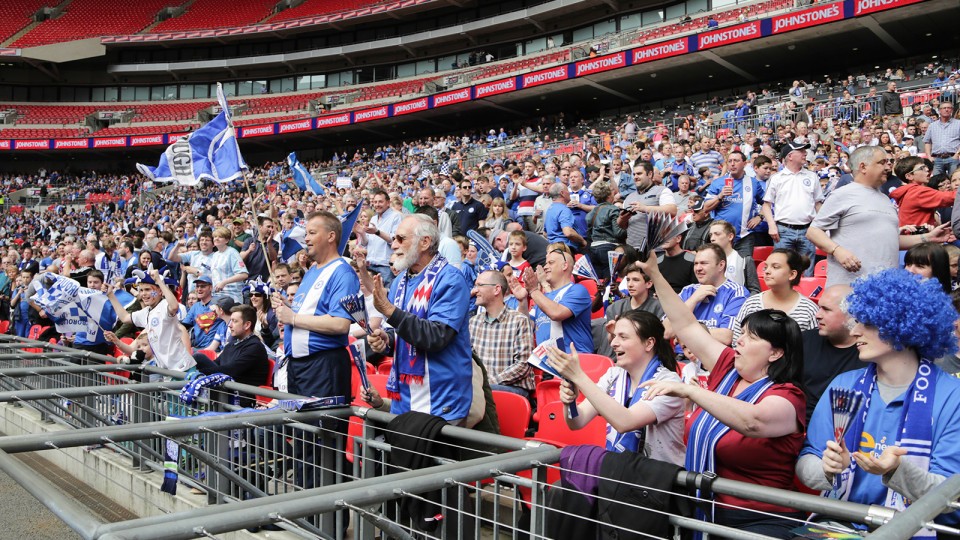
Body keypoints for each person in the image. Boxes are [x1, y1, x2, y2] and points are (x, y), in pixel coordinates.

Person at [640, 251, 807, 539]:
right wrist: (655, 274)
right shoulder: (729, 368)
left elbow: (753, 422)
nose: (739, 340)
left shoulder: (789, 396)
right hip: (705, 511)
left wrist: (689, 389)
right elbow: (686, 325)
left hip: (760, 521)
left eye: (752, 337)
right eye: (741, 333)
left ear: (777, 352)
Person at [798, 269, 960, 534]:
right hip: (838, 525)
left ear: (902, 327)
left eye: (868, 323)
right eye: (856, 321)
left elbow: (951, 496)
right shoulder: (843, 385)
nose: (855, 331)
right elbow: (808, 461)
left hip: (912, 531)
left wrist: (898, 471)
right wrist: (826, 470)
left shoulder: (953, 396)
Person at [270, 211, 359, 491]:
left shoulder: (343, 272)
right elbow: (303, 316)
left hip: (324, 367)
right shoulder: (312, 271)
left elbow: (341, 324)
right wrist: (285, 307)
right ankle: (306, 512)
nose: (305, 238)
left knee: (323, 444)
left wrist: (292, 318)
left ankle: (328, 522)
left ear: (331, 236)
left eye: (311, 232)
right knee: (302, 441)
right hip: (300, 367)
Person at [362, 214, 475, 424]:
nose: (393, 244)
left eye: (400, 238)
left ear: (425, 242)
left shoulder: (450, 279)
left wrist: (389, 310)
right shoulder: (400, 283)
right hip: (404, 399)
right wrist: (386, 340)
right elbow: (401, 333)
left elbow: (436, 336)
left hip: (441, 399)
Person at [547, 310, 685, 464]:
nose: (613, 343)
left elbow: (625, 422)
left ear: (649, 343)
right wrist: (569, 402)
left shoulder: (669, 383)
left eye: (623, 337)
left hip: (659, 481)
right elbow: (577, 421)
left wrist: (579, 376)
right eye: (614, 336)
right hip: (621, 473)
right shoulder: (614, 375)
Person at [807, 146, 952, 287]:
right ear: (863, 167)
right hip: (851, 286)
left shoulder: (884, 199)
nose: (888, 167)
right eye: (882, 163)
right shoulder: (842, 194)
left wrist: (928, 238)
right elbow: (813, 231)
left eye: (888, 162)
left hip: (885, 287)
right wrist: (837, 250)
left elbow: (891, 240)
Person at [107, 267, 195, 373]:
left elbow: (174, 306)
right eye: (141, 290)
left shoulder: (165, 305)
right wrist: (110, 295)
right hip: (166, 370)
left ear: (160, 291)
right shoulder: (146, 312)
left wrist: (159, 281)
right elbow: (125, 318)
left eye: (148, 290)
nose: (144, 294)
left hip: (183, 368)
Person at [511, 243, 593, 354]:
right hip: (547, 363)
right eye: (546, 263)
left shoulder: (578, 290)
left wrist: (533, 290)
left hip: (575, 361)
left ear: (564, 265)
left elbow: (556, 313)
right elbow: (527, 326)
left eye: (551, 263)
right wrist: (522, 301)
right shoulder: (544, 298)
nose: (545, 267)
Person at [469, 270, 535, 398]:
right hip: (483, 388)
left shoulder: (519, 320)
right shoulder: (473, 322)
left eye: (480, 285)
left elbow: (523, 365)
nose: (475, 290)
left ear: (496, 289)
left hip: (513, 388)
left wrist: (487, 383)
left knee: (474, 393)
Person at [800, 284, 860, 423]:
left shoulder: (867, 351)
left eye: (826, 310)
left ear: (850, 314)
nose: (817, 315)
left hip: (844, 429)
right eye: (819, 307)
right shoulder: (803, 340)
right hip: (801, 426)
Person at [731, 249, 818, 344]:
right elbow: (736, 340)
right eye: (765, 267)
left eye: (775, 267)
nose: (767, 271)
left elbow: (813, 348)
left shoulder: (809, 310)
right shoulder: (751, 303)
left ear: (792, 274)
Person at [668, 243, 748, 346]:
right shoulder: (688, 291)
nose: (698, 268)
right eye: (696, 264)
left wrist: (683, 332)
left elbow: (726, 336)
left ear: (721, 265)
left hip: (712, 358)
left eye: (704, 263)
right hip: (681, 356)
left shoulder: (736, 292)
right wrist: (693, 299)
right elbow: (667, 331)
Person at [191, 304, 270, 406]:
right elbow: (216, 364)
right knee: (199, 358)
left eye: (235, 321)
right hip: (225, 391)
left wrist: (199, 372)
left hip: (242, 398)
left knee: (198, 358)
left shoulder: (255, 347)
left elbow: (230, 371)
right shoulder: (232, 344)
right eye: (231, 320)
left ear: (247, 325)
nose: (230, 325)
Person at [762, 141, 822, 275]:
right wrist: (771, 225)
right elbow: (766, 205)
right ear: (790, 156)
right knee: (781, 271)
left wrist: (820, 227)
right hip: (783, 230)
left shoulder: (812, 176)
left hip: (808, 230)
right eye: (801, 151)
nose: (805, 153)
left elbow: (818, 204)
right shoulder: (777, 178)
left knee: (807, 272)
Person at [594, 263, 664, 358]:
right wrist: (612, 332)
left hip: (645, 358)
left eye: (636, 280)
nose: (630, 284)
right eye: (628, 280)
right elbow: (610, 342)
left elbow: (659, 341)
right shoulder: (615, 307)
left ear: (649, 284)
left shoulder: (658, 307)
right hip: (615, 357)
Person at [704, 151, 765, 259]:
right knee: (720, 269)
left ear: (744, 163)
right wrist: (720, 195)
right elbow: (706, 208)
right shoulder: (718, 182)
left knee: (743, 269)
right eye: (730, 161)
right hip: (721, 236)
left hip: (744, 236)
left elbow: (767, 203)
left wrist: (759, 217)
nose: (732, 164)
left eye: (736, 161)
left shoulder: (753, 183)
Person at [616, 161, 678, 249]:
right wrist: (622, 219)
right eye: (634, 174)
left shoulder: (662, 191)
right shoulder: (629, 197)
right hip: (632, 249)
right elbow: (623, 226)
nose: (635, 177)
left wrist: (645, 208)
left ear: (649, 174)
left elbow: (672, 210)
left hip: (655, 249)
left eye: (639, 173)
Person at [890, 157, 955, 228]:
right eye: (921, 168)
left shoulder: (908, 191)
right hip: (918, 237)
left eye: (925, 167)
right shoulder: (917, 192)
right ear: (909, 176)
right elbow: (950, 197)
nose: (927, 169)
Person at [363, 189, 403, 287]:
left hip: (385, 266)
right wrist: (360, 232)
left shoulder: (396, 216)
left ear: (388, 203)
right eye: (375, 202)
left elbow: (394, 241)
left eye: (380, 201)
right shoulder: (373, 218)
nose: (377, 204)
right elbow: (367, 242)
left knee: (386, 297)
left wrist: (377, 232)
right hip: (370, 264)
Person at [708, 220, 760, 293]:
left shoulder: (744, 259)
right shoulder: (707, 261)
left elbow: (755, 290)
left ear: (730, 236)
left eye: (717, 234)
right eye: (711, 235)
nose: (712, 238)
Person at [544, 183, 588, 254]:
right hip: (565, 249)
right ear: (562, 193)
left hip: (552, 249)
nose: (569, 193)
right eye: (567, 190)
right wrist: (582, 241)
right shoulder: (564, 210)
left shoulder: (550, 209)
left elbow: (545, 233)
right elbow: (568, 233)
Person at [924, 101, 960, 177]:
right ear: (939, 110)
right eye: (944, 108)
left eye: (949, 108)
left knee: (954, 180)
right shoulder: (932, 125)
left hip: (953, 158)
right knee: (937, 183)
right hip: (936, 159)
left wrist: (957, 154)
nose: (946, 110)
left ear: (952, 110)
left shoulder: (958, 124)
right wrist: (929, 156)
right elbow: (927, 142)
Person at [240, 216, 279, 282]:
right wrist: (249, 250)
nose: (271, 229)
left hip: (264, 281)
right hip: (248, 280)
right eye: (268, 227)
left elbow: (273, 258)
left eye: (272, 227)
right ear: (260, 227)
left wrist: (269, 243)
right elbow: (240, 258)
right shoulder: (249, 241)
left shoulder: (274, 243)